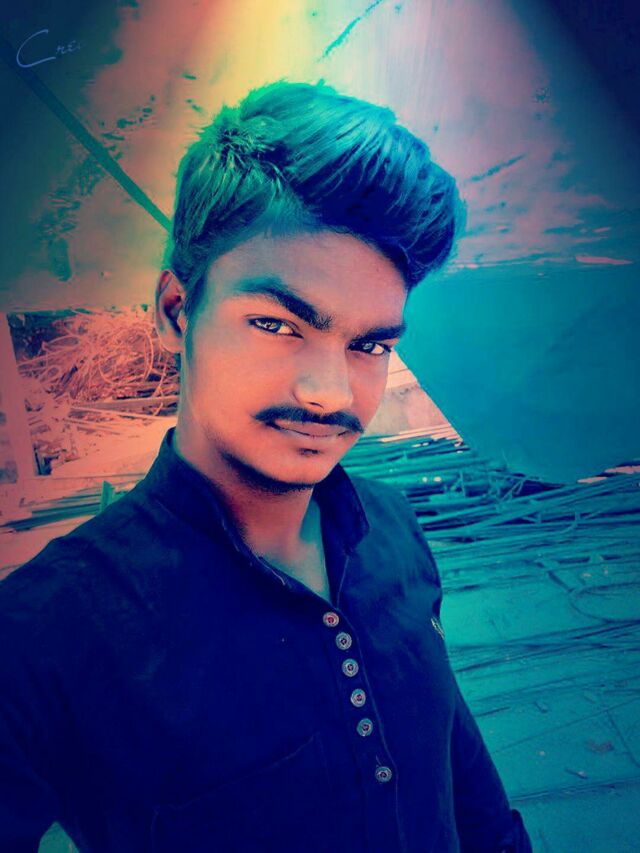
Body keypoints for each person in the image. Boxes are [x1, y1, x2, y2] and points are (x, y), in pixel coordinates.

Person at [0, 80, 532, 852]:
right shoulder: (47, 632)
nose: (330, 392)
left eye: (370, 344)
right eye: (278, 324)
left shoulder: (392, 528)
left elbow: (464, 781)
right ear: (176, 310)